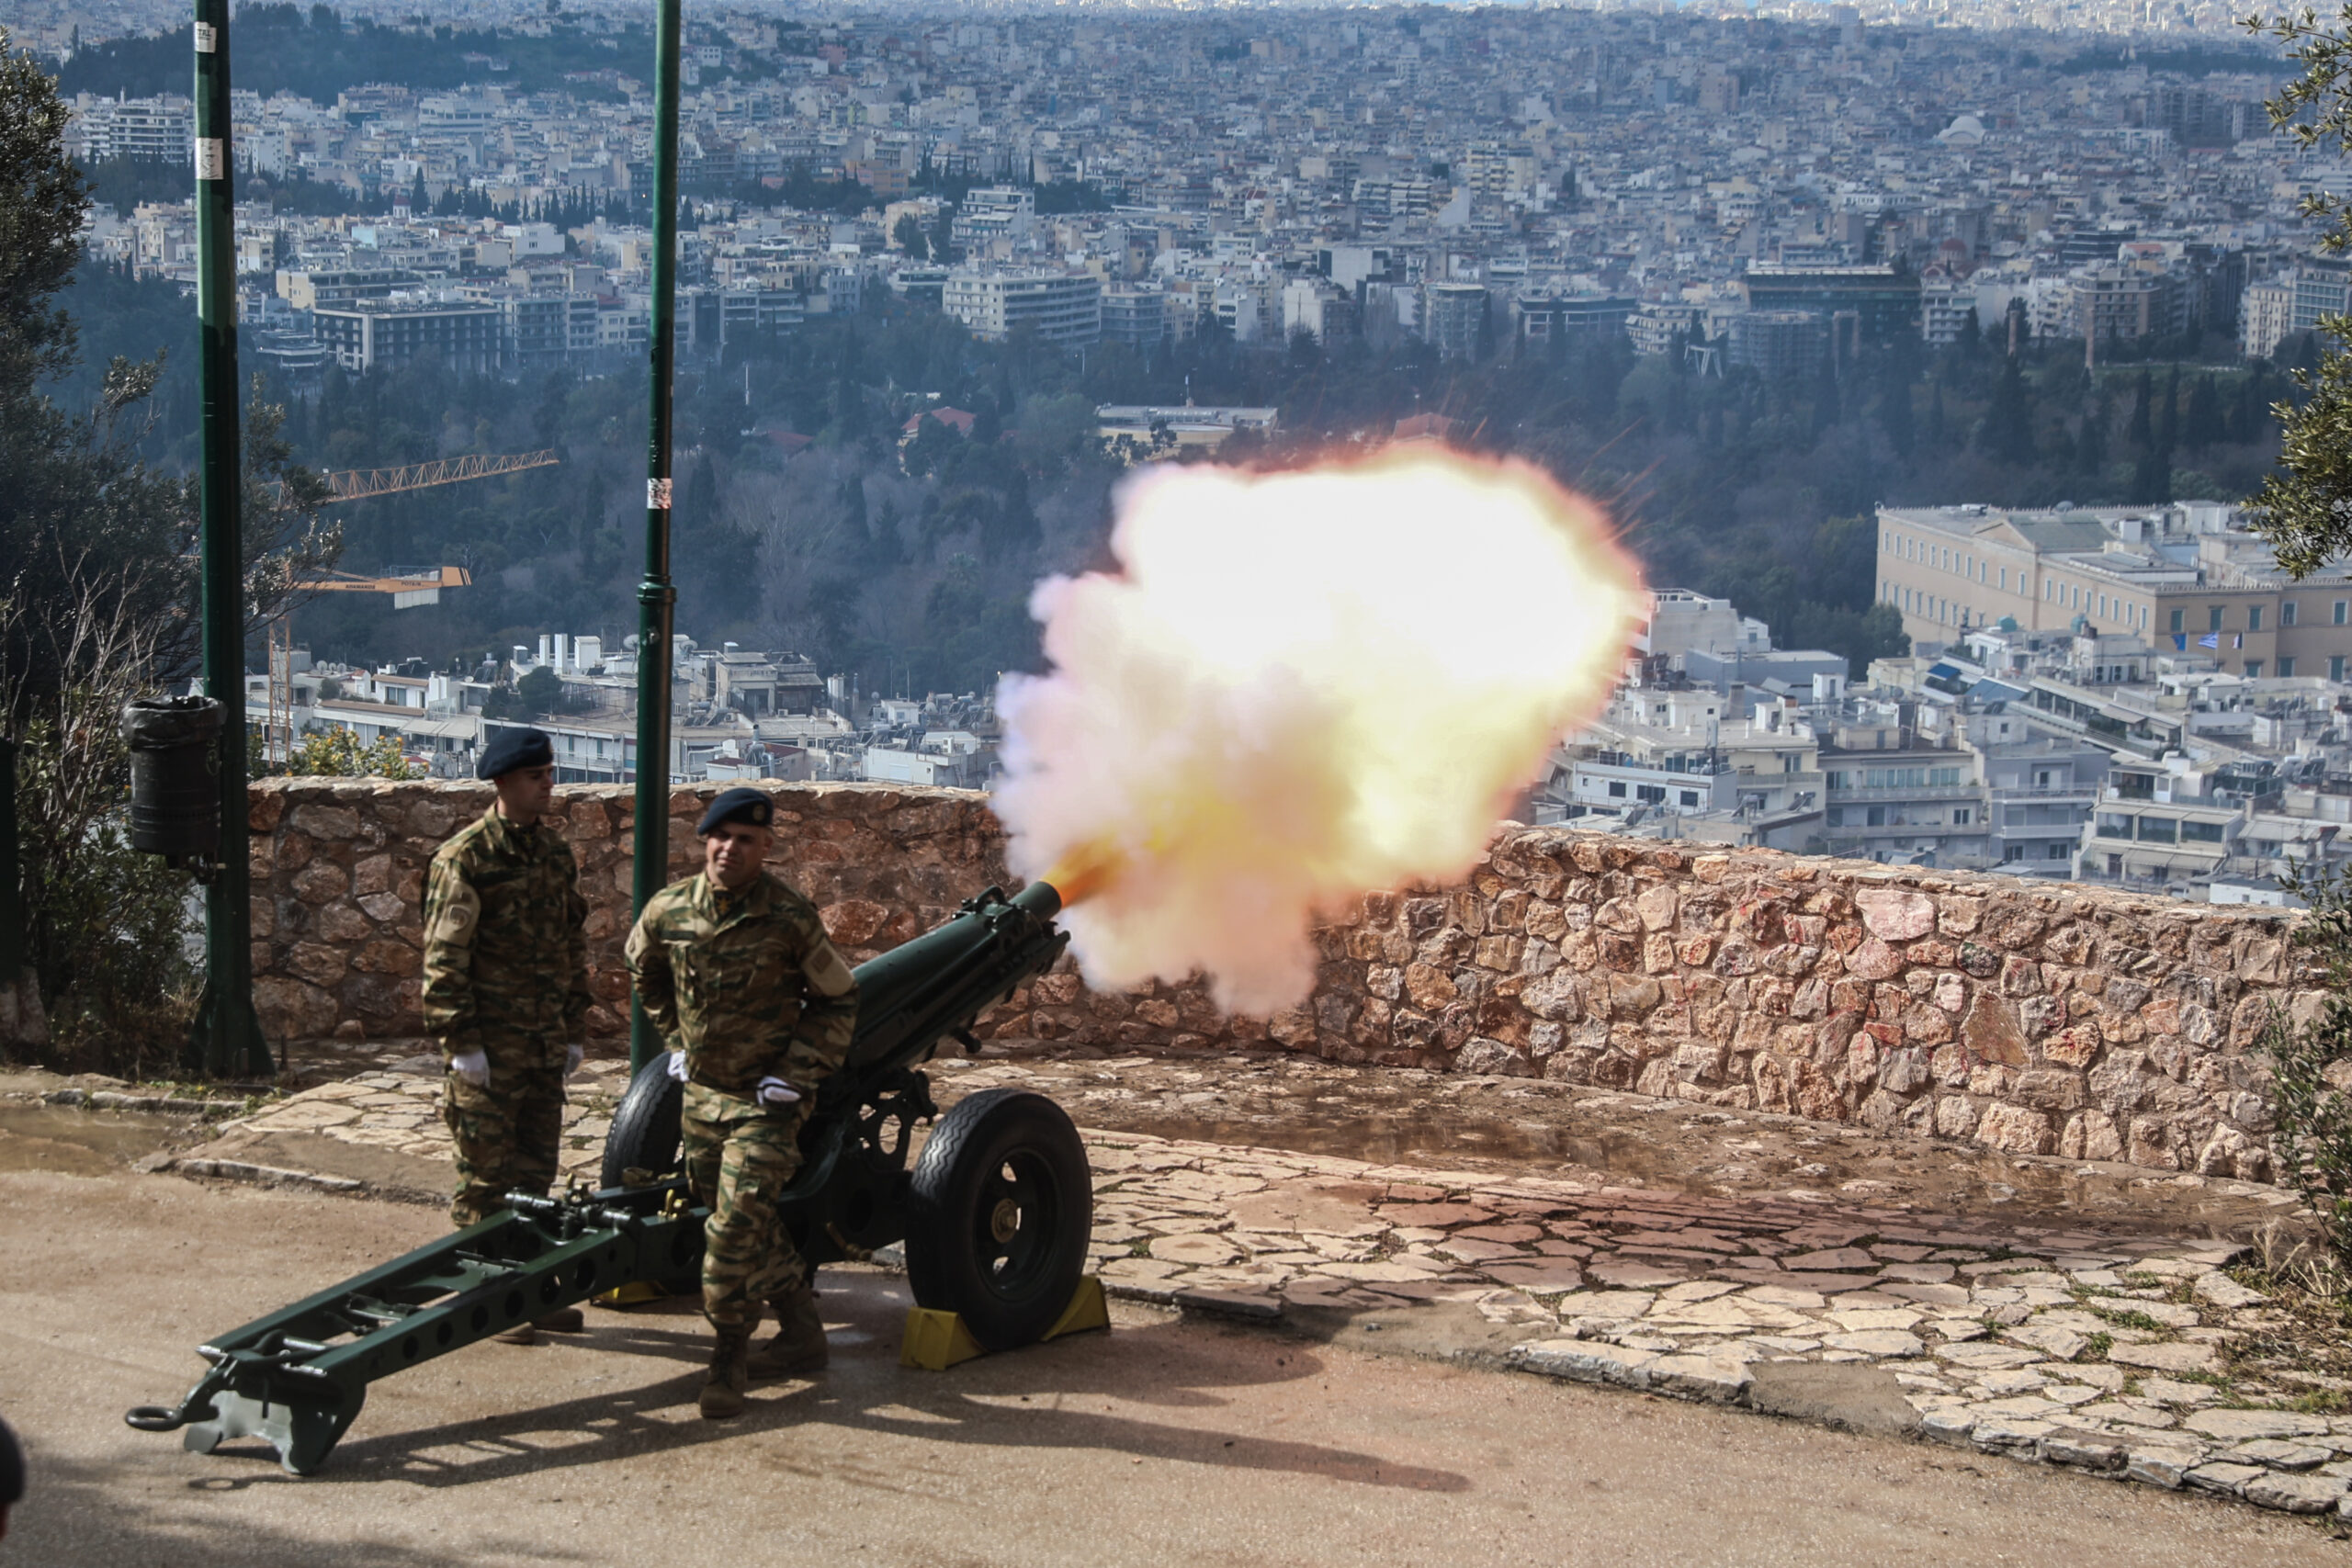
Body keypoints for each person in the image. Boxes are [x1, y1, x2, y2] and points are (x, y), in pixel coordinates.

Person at [626, 786, 859, 1420]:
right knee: (739, 1216)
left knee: (729, 1231)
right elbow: (642, 969)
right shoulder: (670, 910)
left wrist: (796, 1072)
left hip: (765, 1103)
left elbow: (838, 999)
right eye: (720, 836)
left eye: (746, 839)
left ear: (767, 847)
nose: (730, 849)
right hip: (703, 1097)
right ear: (705, 839)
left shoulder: (787, 916)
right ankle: (803, 1330)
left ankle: (729, 1357)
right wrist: (675, 1038)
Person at [422, 726, 593, 1343]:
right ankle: (485, 1299)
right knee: (484, 1183)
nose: (548, 784)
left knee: (534, 1179)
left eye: (550, 772)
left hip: (543, 1046)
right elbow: (444, 962)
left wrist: (573, 1028)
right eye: (535, 775)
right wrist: (462, 1044)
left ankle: (526, 1290)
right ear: (502, 783)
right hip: (489, 1052)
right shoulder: (465, 858)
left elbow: (571, 944)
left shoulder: (553, 854)